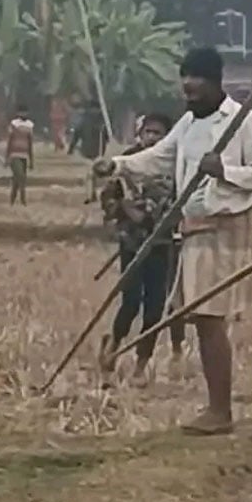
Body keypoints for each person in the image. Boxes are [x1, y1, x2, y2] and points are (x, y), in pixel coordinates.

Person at [92, 47, 252, 435]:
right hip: (192, 227)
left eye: (198, 78)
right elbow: (159, 157)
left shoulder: (246, 122)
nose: (189, 86)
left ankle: (220, 412)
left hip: (226, 227)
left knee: (209, 318)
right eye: (185, 78)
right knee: (199, 318)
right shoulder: (188, 124)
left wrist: (223, 170)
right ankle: (216, 409)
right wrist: (118, 165)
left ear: (215, 81)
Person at [97, 112, 182, 386]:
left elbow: (184, 200)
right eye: (149, 132)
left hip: (163, 244)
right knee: (131, 301)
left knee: (155, 307)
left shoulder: (176, 167)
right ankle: (114, 344)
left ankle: (140, 366)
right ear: (140, 134)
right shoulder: (127, 162)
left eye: (159, 133)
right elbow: (108, 198)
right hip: (132, 242)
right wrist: (123, 209)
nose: (152, 137)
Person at [5, 103, 35, 206]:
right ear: (18, 113)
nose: (23, 114)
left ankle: (12, 200)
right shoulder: (14, 124)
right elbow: (9, 141)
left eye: (25, 112)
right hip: (14, 155)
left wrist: (31, 161)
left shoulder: (30, 125)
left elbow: (30, 143)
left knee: (17, 180)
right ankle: (23, 199)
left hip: (24, 156)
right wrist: (7, 158)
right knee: (21, 177)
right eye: (21, 112)